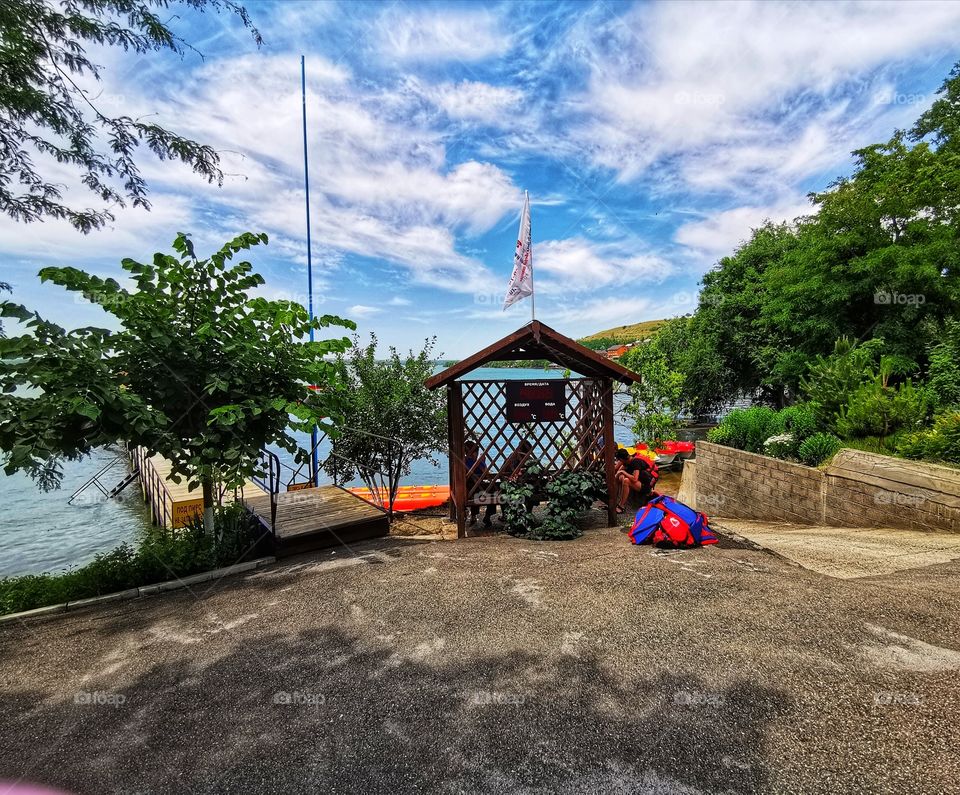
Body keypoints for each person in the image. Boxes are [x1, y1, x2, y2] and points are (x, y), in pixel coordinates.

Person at [464, 439, 495, 527]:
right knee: (492, 492)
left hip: (468, 489)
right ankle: (487, 516)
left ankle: (473, 516)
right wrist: (482, 462)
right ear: (473, 452)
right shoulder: (476, 462)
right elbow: (487, 474)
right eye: (476, 452)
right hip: (476, 490)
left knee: (476, 490)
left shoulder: (463, 461)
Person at [615, 448, 658, 512]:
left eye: (619, 460)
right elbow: (617, 474)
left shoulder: (635, 462)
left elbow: (635, 479)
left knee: (626, 480)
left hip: (646, 485)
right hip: (640, 482)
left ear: (621, 459)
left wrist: (623, 472)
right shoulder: (626, 462)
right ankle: (616, 498)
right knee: (621, 477)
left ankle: (621, 506)